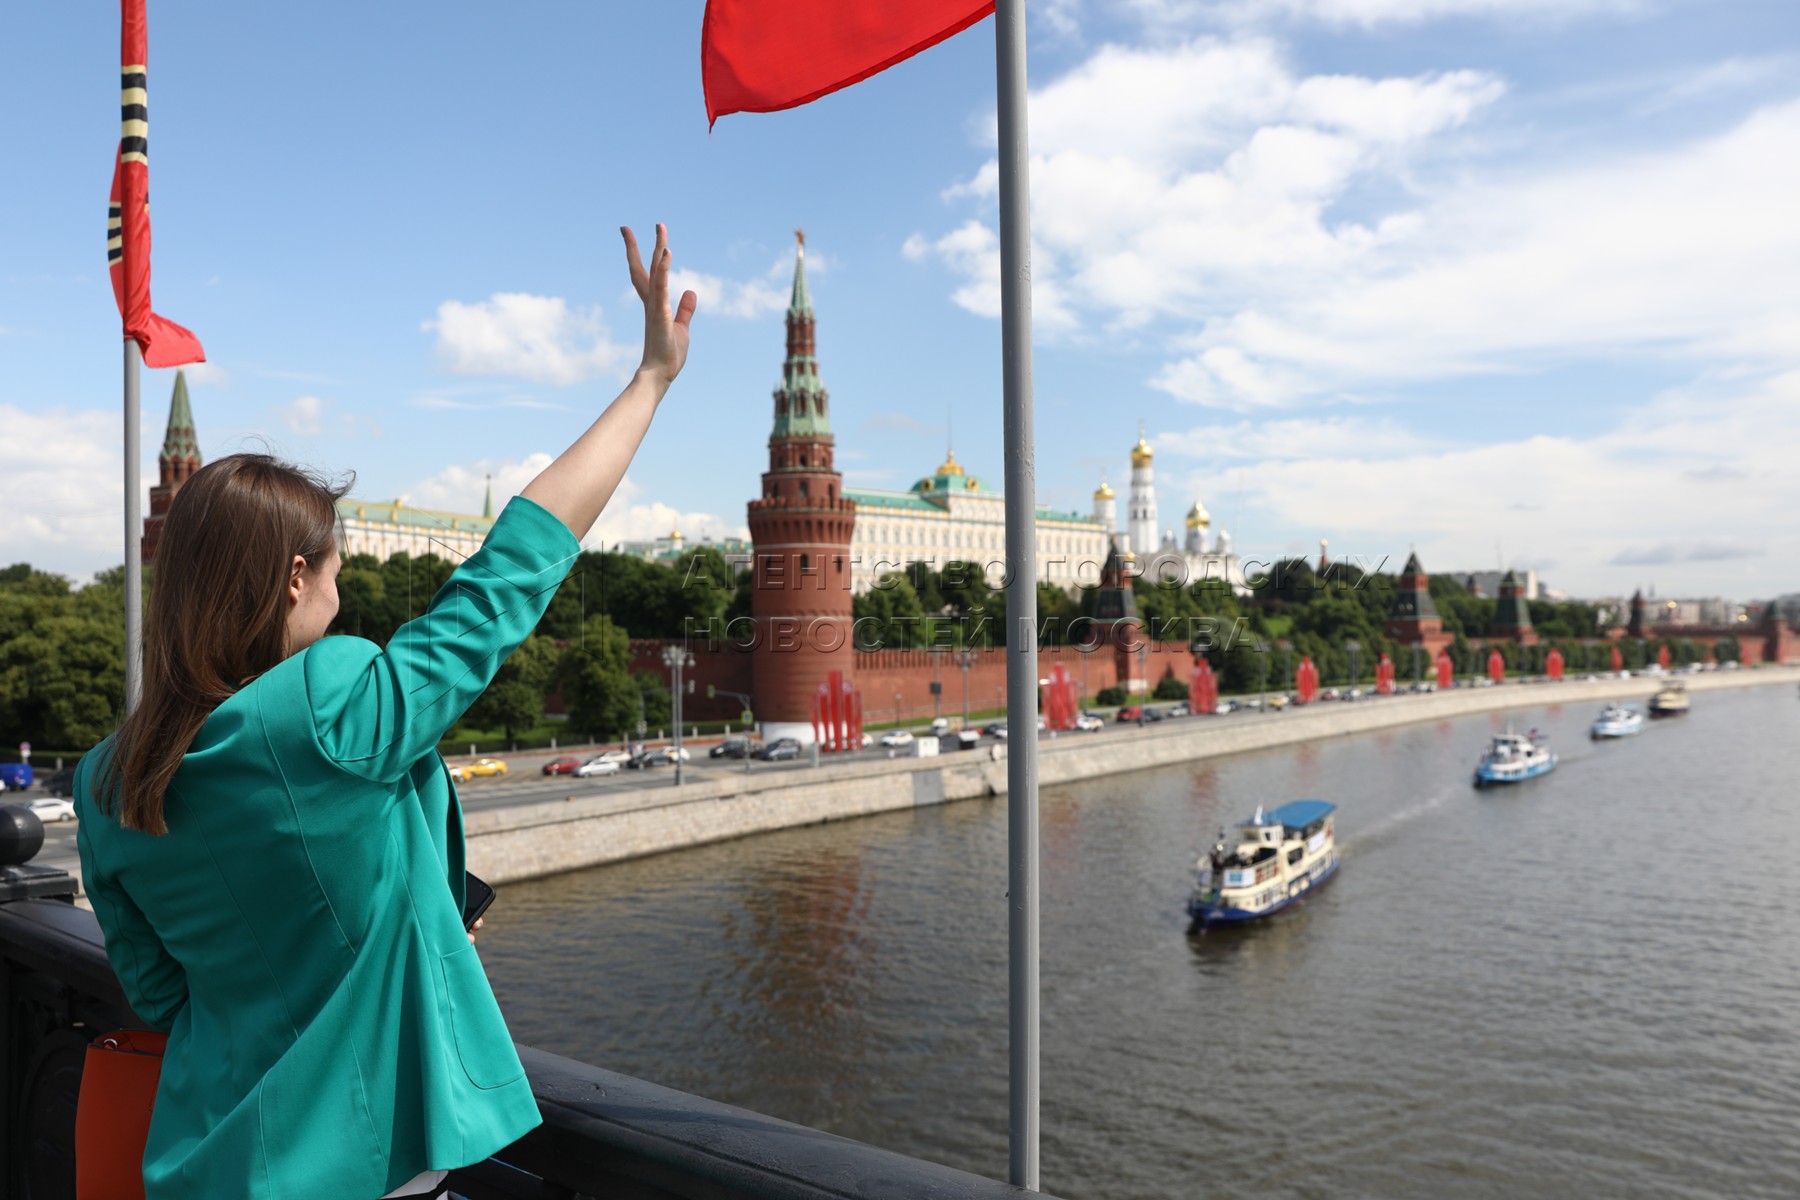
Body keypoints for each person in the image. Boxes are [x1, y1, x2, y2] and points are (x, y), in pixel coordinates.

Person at [75, 225, 696, 1200]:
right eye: (335, 571)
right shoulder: (334, 707)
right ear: (294, 577)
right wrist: (651, 381)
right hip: (359, 1168)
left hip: (203, 1161)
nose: (341, 594)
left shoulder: (106, 778)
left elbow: (161, 993)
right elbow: (509, 573)